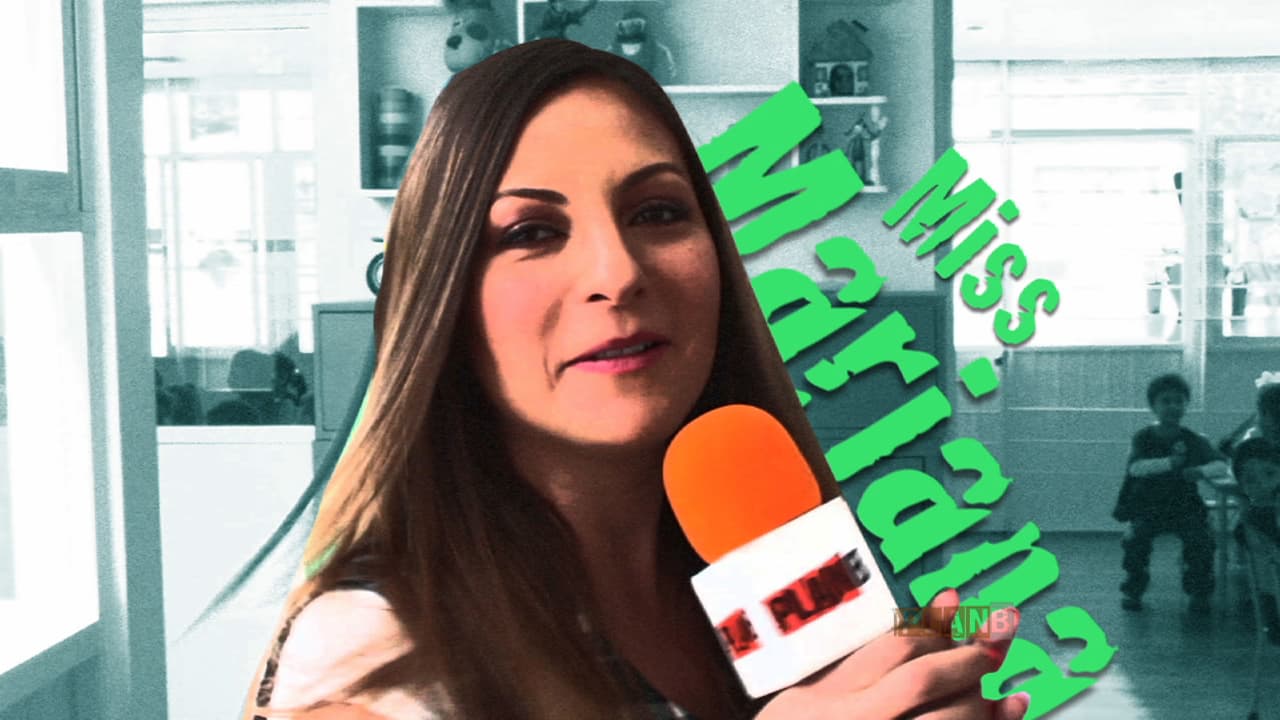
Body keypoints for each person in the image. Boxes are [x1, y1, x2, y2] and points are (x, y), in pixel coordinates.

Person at [237, 39, 1030, 720]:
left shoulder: (763, 563)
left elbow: (845, 676)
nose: (618, 273)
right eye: (532, 231)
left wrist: (916, 667)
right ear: (442, 298)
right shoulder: (373, 650)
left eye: (657, 213)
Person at [1112, 373, 1227, 613]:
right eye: (1166, 401)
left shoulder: (1194, 439)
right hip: (1149, 507)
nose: (1173, 406)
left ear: (1186, 405)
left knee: (1201, 541)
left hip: (1185, 507)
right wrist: (1169, 463)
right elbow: (1135, 468)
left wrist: (1201, 470)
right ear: (1153, 406)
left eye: (1179, 401)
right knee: (1135, 542)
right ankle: (1133, 589)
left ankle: (1199, 591)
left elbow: (1221, 465)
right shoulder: (1143, 437)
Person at [1230, 433, 1280, 645]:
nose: (1263, 484)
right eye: (1251, 479)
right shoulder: (1254, 519)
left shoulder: (1252, 516)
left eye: (1270, 474)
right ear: (1242, 486)